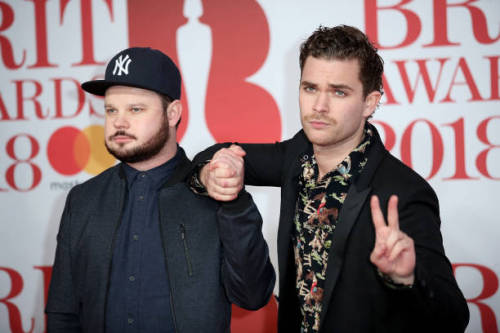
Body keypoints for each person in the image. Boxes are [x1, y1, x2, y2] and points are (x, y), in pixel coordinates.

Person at [193, 25, 469, 332]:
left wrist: (406, 278)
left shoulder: (403, 191)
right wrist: (214, 169)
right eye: (310, 88)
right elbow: (214, 153)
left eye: (339, 92)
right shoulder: (296, 156)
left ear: (370, 102)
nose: (319, 107)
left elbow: (453, 318)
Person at [45, 47, 275, 333]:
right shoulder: (83, 199)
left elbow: (253, 296)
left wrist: (234, 202)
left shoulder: (215, 191)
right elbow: (62, 311)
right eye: (111, 110)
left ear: (173, 113)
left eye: (136, 109)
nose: (119, 122)